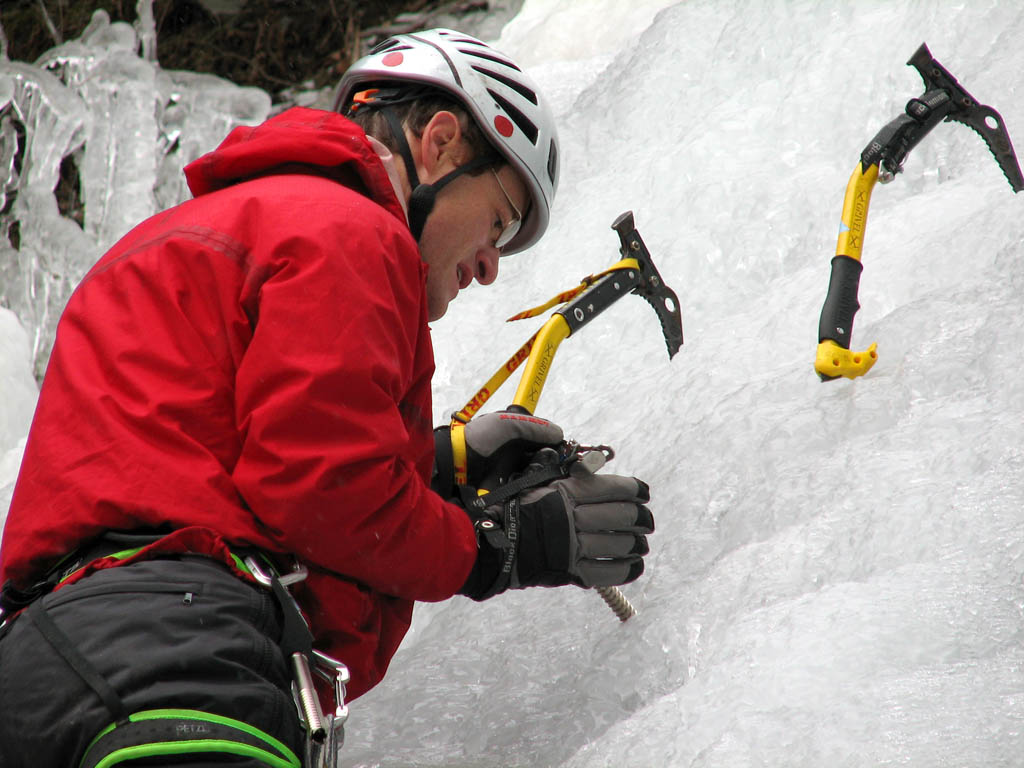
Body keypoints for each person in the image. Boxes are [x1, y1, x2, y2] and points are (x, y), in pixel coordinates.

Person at [0, 28, 654, 768]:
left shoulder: (177, 237)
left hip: (40, 672)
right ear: (439, 142)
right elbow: (318, 489)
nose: (490, 266)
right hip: (179, 666)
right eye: (498, 223)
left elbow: (193, 455)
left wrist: (442, 463)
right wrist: (501, 550)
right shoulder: (348, 229)